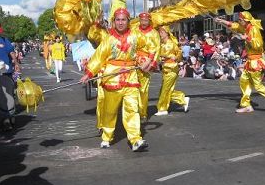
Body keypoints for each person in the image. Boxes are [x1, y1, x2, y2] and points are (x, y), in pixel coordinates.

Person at [80, 8, 149, 152]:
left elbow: (143, 51)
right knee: (110, 111)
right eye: (118, 20)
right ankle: (107, 136)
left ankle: (135, 139)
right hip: (112, 78)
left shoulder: (137, 36)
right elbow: (99, 57)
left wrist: (144, 60)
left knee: (132, 109)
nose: (120, 23)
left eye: (123, 20)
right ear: (114, 22)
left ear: (128, 21)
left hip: (131, 77)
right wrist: (88, 74)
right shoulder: (108, 39)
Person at [215, 12, 265, 114]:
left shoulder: (253, 29)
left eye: (240, 20)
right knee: (244, 81)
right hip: (250, 61)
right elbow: (235, 26)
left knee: (258, 86)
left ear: (245, 21)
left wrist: (247, 39)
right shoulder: (246, 27)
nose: (239, 22)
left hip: (256, 61)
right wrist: (222, 21)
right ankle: (246, 105)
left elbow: (258, 45)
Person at [155, 26, 190, 116]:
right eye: (160, 32)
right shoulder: (161, 44)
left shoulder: (172, 43)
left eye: (162, 32)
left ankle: (163, 109)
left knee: (165, 90)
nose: (160, 34)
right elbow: (158, 56)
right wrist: (160, 59)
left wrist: (176, 57)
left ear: (166, 33)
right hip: (165, 68)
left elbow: (179, 53)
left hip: (172, 69)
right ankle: (182, 99)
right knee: (165, 89)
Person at [133, 12, 160, 122]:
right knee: (132, 89)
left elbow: (157, 49)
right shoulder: (134, 31)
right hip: (133, 63)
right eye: (142, 20)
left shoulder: (154, 33)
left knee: (143, 90)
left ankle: (142, 113)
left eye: (146, 20)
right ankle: (133, 112)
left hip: (146, 64)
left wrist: (152, 64)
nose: (143, 22)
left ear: (149, 21)